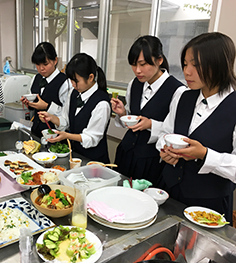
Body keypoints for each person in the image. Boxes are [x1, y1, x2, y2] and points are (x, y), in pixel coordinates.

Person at [156, 32, 236, 224]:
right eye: (185, 64)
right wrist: (165, 150)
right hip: (170, 191)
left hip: (209, 203)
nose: (187, 72)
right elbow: (164, 134)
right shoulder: (183, 97)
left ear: (219, 64)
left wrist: (205, 155)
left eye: (196, 65)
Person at [111, 35, 186, 186]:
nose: (137, 70)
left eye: (143, 64)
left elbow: (175, 133)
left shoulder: (178, 91)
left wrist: (151, 124)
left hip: (151, 160)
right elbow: (133, 117)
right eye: (133, 65)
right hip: (126, 153)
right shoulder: (135, 84)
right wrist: (123, 114)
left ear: (159, 60)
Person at [38, 53, 111, 163]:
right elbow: (65, 121)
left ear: (91, 77)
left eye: (76, 81)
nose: (73, 85)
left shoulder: (102, 103)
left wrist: (67, 135)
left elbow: (91, 138)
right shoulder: (73, 93)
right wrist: (51, 118)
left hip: (93, 161)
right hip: (75, 156)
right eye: (71, 80)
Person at [21, 42, 69, 138]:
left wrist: (47, 106)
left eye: (45, 64)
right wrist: (29, 104)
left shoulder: (65, 82)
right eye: (37, 65)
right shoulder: (36, 78)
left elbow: (67, 115)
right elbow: (34, 102)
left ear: (55, 60)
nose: (41, 68)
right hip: (36, 132)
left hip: (55, 135)